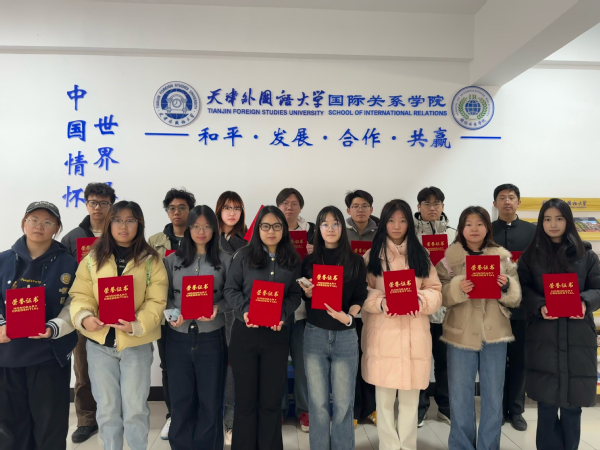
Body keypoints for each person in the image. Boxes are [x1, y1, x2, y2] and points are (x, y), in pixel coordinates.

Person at [70, 201, 168, 450]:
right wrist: (84, 317)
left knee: (135, 408)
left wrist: (137, 324)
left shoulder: (151, 259)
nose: (123, 226)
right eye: (117, 220)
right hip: (99, 345)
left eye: (130, 220)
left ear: (139, 224)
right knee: (107, 408)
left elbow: (157, 300)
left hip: (136, 344)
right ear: (109, 223)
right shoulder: (93, 258)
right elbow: (81, 294)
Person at [436, 206, 521, 450]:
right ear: (461, 228)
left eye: (480, 224)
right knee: (460, 395)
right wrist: (457, 288)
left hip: (495, 334)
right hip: (460, 334)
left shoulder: (503, 258)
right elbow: (440, 296)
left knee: (493, 397)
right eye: (469, 224)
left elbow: (515, 297)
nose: (474, 229)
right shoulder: (448, 260)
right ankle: (461, 446)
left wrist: (506, 287)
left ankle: (488, 446)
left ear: (488, 227)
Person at [518, 198, 600, 450]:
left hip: (578, 337)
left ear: (568, 221)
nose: (552, 224)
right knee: (546, 403)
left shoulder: (587, 255)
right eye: (547, 219)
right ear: (541, 222)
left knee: (573, 405)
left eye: (559, 218)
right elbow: (523, 289)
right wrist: (540, 305)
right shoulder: (531, 256)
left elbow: (598, 288)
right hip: (544, 336)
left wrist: (585, 302)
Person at [362, 199, 442, 450]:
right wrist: (381, 302)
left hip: (413, 334)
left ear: (410, 223)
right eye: (391, 220)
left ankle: (407, 446)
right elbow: (362, 291)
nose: (397, 226)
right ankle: (388, 446)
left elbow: (435, 290)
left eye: (402, 220)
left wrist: (420, 300)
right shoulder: (372, 256)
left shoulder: (421, 254)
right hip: (383, 333)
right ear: (383, 223)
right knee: (384, 399)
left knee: (410, 399)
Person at [0, 202, 78, 450]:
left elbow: (76, 303)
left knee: (50, 427)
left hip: (49, 356)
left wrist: (54, 327)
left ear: (56, 228)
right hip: (8, 355)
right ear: (24, 223)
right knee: (10, 428)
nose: (39, 226)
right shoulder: (3, 260)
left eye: (47, 222)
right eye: (33, 220)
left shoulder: (69, 264)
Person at [224, 205, 302, 450]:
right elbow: (230, 289)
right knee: (245, 402)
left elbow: (295, 294)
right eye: (265, 226)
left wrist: (282, 314)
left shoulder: (292, 259)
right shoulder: (244, 256)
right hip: (245, 335)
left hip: (276, 337)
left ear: (284, 229)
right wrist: (245, 311)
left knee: (270, 402)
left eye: (276, 226)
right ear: (258, 229)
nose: (271, 231)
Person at [299, 206, 367, 450]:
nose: (330, 228)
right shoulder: (309, 261)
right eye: (325, 224)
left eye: (335, 223)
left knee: (343, 403)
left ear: (342, 228)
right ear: (318, 229)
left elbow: (360, 296)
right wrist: (308, 293)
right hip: (315, 335)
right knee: (317, 403)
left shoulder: (356, 261)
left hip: (345, 336)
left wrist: (347, 317)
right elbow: (305, 297)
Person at [164, 205, 232, 449]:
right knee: (180, 400)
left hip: (211, 338)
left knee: (210, 400)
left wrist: (218, 308)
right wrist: (173, 315)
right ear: (188, 229)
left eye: (206, 227)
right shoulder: (171, 260)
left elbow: (232, 295)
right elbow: (164, 297)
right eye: (195, 226)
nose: (201, 232)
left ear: (214, 229)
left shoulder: (226, 260)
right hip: (178, 337)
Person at [61, 182, 116, 444]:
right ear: (86, 204)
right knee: (82, 369)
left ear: (111, 206)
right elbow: (63, 274)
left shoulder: (121, 232)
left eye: (104, 203)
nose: (98, 208)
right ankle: (86, 420)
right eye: (93, 202)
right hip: (84, 312)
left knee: (119, 369)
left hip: (117, 309)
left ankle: (116, 415)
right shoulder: (72, 238)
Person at [148, 187, 196, 440]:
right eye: (172, 208)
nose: (177, 212)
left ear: (191, 211)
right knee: (169, 365)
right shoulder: (154, 241)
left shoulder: (201, 236)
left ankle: (196, 413)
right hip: (167, 313)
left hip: (198, 313)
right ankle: (173, 415)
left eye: (182, 208)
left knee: (197, 365)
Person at [491, 183, 536, 431]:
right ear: (495, 203)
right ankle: (496, 410)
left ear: (519, 202)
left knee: (519, 360)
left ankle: (516, 410)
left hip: (522, 306)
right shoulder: (486, 230)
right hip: (492, 306)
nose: (507, 201)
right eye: (502, 197)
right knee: (495, 362)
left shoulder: (533, 231)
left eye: (511, 197)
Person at [414, 186, 456, 427]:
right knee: (420, 360)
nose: (432, 208)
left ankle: (445, 407)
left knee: (445, 362)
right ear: (418, 206)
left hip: (447, 308)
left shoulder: (454, 234)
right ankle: (419, 409)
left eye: (436, 203)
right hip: (419, 307)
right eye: (427, 203)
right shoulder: (409, 234)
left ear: (443, 206)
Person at [276, 188, 314, 430]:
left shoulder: (312, 231)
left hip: (302, 311)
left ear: (300, 207)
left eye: (293, 203)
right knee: (277, 363)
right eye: (284, 203)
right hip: (276, 309)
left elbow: (324, 266)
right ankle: (278, 409)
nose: (289, 207)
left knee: (303, 364)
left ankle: (304, 411)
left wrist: (314, 253)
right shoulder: (270, 229)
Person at [215, 190, 247, 444]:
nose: (232, 213)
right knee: (213, 368)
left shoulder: (248, 242)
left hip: (237, 313)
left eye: (237, 208)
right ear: (219, 210)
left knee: (233, 369)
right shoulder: (208, 239)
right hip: (210, 312)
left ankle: (231, 422)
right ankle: (214, 421)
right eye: (227, 207)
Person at [344, 189, 378, 426]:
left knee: (372, 357)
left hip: (375, 305)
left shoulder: (382, 233)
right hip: (349, 305)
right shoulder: (340, 231)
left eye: (364, 206)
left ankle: (372, 408)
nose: (360, 210)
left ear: (371, 209)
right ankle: (355, 410)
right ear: (348, 210)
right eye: (355, 206)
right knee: (352, 360)